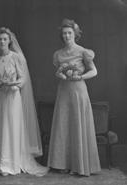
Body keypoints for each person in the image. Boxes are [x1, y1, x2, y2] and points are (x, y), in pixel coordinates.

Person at [0, 27, 49, 177]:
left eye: (5, 39)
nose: (2, 41)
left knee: (12, 127)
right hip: (0, 98)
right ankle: (0, 164)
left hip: (13, 96)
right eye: (0, 39)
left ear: (9, 41)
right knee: (1, 127)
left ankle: (12, 164)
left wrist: (13, 84)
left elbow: (23, 78)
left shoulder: (17, 57)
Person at [47, 19, 101, 176]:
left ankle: (78, 165)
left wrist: (81, 77)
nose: (66, 36)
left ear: (75, 34)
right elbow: (58, 72)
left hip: (78, 91)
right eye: (64, 33)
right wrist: (59, 74)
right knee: (64, 126)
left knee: (77, 125)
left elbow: (94, 71)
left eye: (69, 33)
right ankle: (63, 164)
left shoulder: (83, 52)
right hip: (63, 92)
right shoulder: (58, 54)